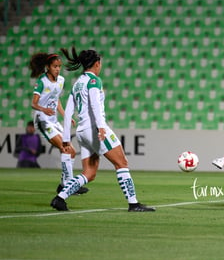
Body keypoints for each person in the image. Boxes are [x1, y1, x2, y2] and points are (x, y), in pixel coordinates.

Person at [50, 46, 155, 212]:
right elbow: (95, 104)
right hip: (95, 130)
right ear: (97, 64)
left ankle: (60, 198)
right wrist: (101, 128)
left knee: (89, 173)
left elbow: (69, 110)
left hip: (82, 132)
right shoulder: (94, 81)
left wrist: (65, 138)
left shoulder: (77, 84)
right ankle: (133, 204)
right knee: (121, 163)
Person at [30, 52, 88, 194]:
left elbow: (57, 101)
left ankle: (63, 184)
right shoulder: (42, 81)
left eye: (59, 67)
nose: (57, 69)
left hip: (54, 121)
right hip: (42, 120)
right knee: (65, 148)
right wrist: (44, 109)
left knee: (72, 151)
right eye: (55, 66)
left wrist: (66, 116)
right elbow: (34, 103)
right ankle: (70, 186)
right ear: (48, 67)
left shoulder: (61, 80)